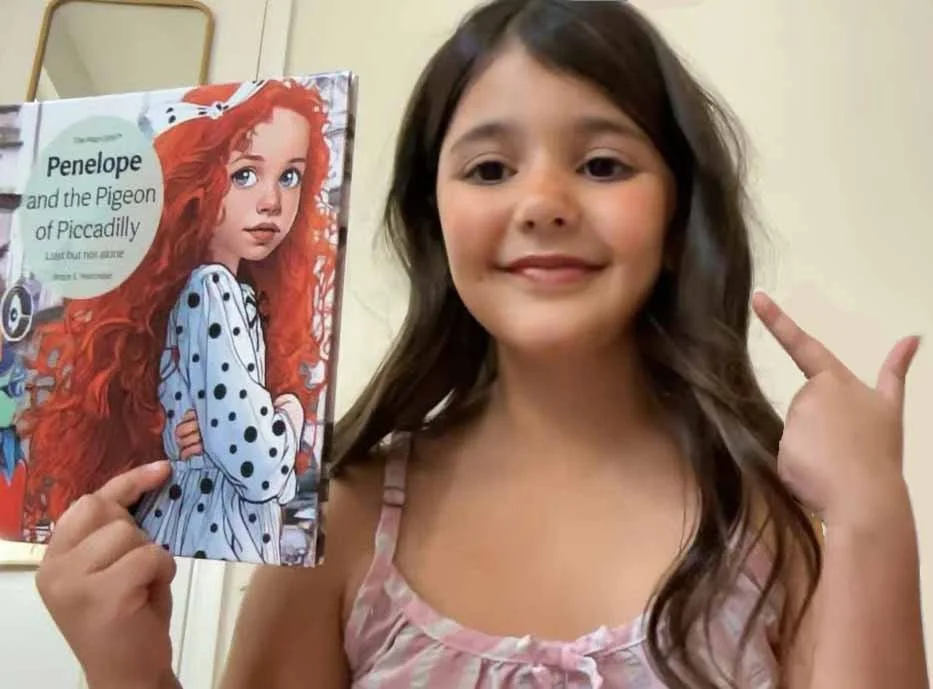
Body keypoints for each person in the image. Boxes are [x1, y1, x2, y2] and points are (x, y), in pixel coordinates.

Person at [32, 1, 928, 688]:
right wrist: (131, 673)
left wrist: (872, 516)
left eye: (603, 164)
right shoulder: (346, 518)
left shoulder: (762, 525)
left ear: (679, 212)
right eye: (489, 169)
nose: (540, 202)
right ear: (434, 218)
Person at [17, 77, 338, 563]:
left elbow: (200, 415)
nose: (272, 200)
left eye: (290, 176)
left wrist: (191, 436)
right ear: (198, 182)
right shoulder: (214, 290)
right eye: (245, 175)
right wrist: (289, 409)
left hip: (188, 522)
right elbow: (259, 466)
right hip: (213, 529)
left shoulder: (217, 291)